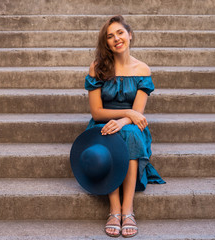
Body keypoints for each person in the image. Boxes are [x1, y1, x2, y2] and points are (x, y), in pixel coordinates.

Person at [84, 15, 165, 238]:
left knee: (128, 133)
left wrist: (125, 118)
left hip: (131, 126)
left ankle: (127, 209)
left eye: (120, 33)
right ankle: (114, 208)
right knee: (112, 133)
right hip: (102, 123)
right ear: (106, 43)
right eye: (110, 36)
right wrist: (125, 112)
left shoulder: (142, 69)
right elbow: (97, 112)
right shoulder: (97, 68)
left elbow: (137, 113)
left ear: (130, 35)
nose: (116, 39)